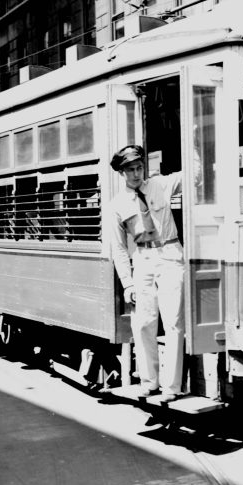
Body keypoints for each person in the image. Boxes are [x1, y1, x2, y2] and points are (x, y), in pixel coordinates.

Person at [108, 145, 185, 400]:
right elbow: (118, 249)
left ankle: (171, 388)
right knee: (143, 323)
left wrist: (196, 139)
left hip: (170, 254)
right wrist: (127, 283)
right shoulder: (117, 204)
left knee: (173, 322)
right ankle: (149, 382)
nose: (136, 173)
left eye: (139, 167)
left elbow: (194, 176)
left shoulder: (160, 185)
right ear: (122, 172)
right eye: (130, 169)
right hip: (142, 259)